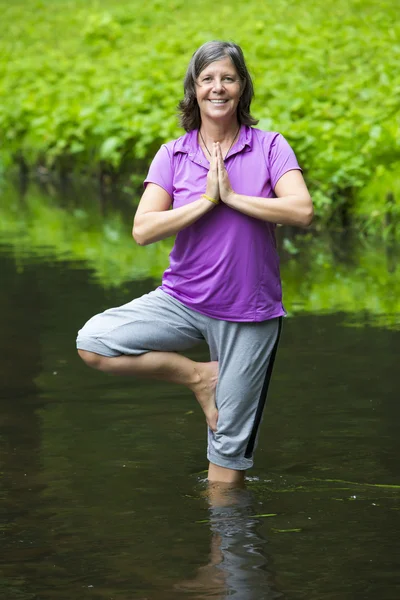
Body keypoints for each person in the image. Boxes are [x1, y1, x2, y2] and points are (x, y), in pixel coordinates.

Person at [76, 40, 313, 486]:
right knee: (94, 342)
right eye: (207, 79)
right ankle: (200, 377)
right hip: (182, 301)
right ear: (194, 89)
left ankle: (225, 553)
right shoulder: (174, 154)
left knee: (225, 469)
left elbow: (301, 211)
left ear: (242, 87)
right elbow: (143, 229)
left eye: (228, 78)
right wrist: (205, 201)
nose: (217, 88)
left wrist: (234, 198)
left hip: (250, 314)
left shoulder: (269, 147)